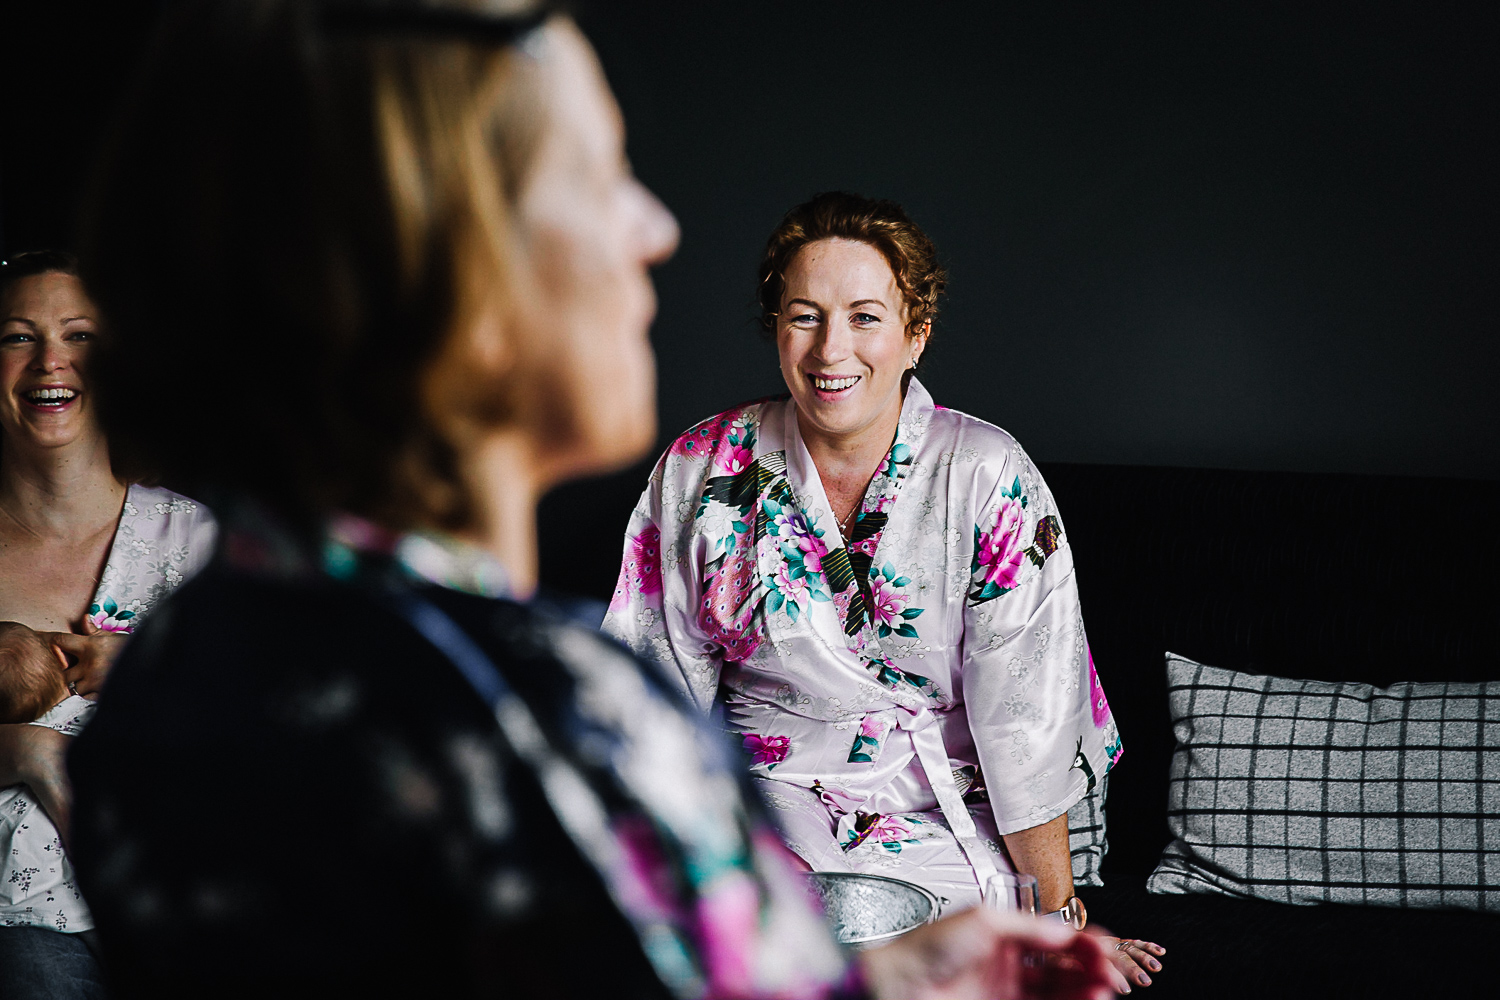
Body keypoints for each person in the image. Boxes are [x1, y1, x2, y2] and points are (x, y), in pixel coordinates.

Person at [67, 2, 1114, 998]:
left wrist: (877, 972)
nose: (655, 228)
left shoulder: (178, 659)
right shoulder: (558, 725)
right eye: (601, 174)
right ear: (457, 272)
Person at [603, 193, 1165, 991]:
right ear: (776, 328)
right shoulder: (703, 467)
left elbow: (1027, 722)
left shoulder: (986, 477)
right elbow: (649, 691)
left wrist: (1057, 919)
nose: (833, 349)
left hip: (947, 808)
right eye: (805, 315)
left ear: (915, 335)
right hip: (766, 802)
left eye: (866, 317)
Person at [0, 250, 216, 999]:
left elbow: (278, 731)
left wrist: (152, 674)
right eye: (16, 336)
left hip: (189, 916)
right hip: (19, 929)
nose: (49, 360)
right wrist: (22, 747)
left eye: (79, 334)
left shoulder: (202, 544)